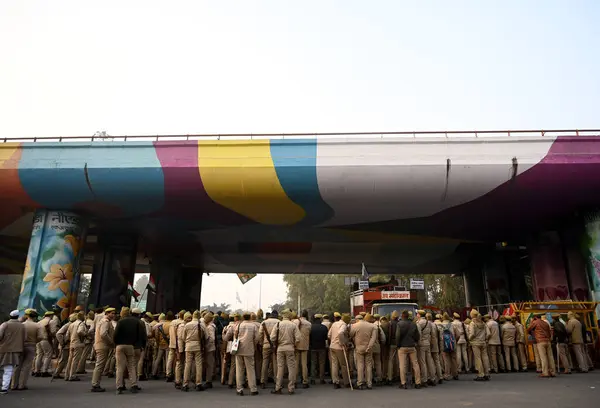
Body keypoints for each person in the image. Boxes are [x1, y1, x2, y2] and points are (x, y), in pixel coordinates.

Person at [224, 311, 260, 396]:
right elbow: (257, 338)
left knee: (239, 369)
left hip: (239, 349)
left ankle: (239, 389)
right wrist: (253, 345)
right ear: (250, 317)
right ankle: (253, 389)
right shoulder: (253, 326)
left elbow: (235, 336)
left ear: (243, 317)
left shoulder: (239, 325)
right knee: (250, 369)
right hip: (249, 349)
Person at [113, 307, 145, 394]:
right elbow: (139, 335)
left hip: (120, 345)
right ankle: (133, 385)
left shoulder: (120, 322)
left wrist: (116, 344)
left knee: (120, 367)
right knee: (131, 366)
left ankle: (119, 386)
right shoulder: (136, 322)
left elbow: (115, 335)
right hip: (131, 345)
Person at [270, 310, 301, 395]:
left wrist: (276, 343)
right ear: (290, 316)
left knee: (280, 368)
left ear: (283, 316)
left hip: (280, 348)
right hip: (290, 348)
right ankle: (291, 388)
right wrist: (294, 345)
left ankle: (278, 387)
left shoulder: (278, 324)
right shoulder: (293, 325)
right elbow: (298, 338)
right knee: (291, 368)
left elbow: (272, 338)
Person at [11, 309, 41, 391]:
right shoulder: (37, 325)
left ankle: (13, 385)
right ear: (35, 317)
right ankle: (22, 385)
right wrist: (35, 341)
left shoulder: (21, 325)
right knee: (26, 366)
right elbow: (41, 337)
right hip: (31, 346)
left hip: (20, 346)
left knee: (17, 365)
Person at [0, 310, 25, 395]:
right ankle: (4, 388)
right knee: (9, 369)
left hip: (2, 349)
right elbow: (24, 338)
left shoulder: (5, 324)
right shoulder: (22, 326)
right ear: (17, 317)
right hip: (15, 350)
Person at [91, 307, 116, 392]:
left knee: (99, 365)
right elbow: (103, 334)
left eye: (114, 313)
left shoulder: (104, 321)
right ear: (107, 313)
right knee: (100, 365)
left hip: (101, 345)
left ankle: (96, 383)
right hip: (102, 345)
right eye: (111, 313)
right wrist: (111, 342)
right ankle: (95, 384)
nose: (113, 315)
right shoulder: (105, 322)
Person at [395, 310, 421, 389]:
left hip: (402, 347)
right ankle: (418, 382)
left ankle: (403, 383)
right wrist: (415, 342)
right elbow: (417, 336)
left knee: (402, 365)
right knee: (415, 364)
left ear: (402, 316)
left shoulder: (399, 324)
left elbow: (397, 336)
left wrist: (398, 345)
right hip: (412, 346)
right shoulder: (413, 324)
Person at [350, 312, 377, 389]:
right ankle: (369, 383)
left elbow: (351, 335)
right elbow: (373, 338)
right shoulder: (372, 326)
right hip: (369, 347)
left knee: (360, 365)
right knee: (368, 365)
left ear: (357, 319)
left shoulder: (355, 325)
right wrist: (369, 346)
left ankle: (360, 383)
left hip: (359, 347)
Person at [182, 310, 207, 392]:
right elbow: (206, 337)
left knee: (187, 365)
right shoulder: (202, 325)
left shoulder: (187, 325)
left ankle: (185, 384)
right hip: (198, 346)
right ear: (199, 316)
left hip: (188, 346)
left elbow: (183, 337)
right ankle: (198, 383)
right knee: (198, 365)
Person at [258, 310, 280, 388]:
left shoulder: (264, 323)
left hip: (265, 345)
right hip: (275, 346)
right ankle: (277, 381)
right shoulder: (279, 322)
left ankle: (263, 381)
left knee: (265, 363)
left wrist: (261, 343)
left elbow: (260, 335)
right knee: (275, 363)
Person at [468, 310, 491, 381]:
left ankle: (481, 374)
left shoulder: (472, 323)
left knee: (478, 358)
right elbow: (489, 334)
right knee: (485, 357)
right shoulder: (483, 323)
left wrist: (469, 339)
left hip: (475, 343)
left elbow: (472, 334)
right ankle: (487, 373)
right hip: (483, 342)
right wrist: (486, 339)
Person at [295, 310, 311, 388]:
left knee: (296, 364)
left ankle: (294, 381)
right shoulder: (309, 324)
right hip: (305, 345)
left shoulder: (296, 322)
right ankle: (305, 381)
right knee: (304, 364)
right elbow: (309, 333)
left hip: (297, 344)